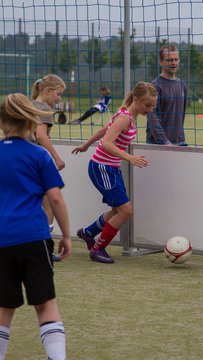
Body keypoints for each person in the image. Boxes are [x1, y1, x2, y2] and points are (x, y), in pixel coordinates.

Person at [0, 93, 71, 360]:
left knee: (4, 308)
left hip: (2, 239)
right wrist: (65, 235)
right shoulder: (39, 155)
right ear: (31, 122)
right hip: (33, 237)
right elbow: (54, 198)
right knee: (45, 304)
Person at [72, 82, 157, 264]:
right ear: (136, 99)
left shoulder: (128, 115)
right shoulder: (125, 118)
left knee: (118, 211)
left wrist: (86, 144)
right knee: (126, 211)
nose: (150, 109)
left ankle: (88, 233)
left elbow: (105, 131)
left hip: (111, 168)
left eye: (153, 106)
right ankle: (98, 249)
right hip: (102, 167)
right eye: (147, 105)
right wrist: (129, 157)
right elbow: (107, 143)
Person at [32, 74, 66, 234]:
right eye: (58, 94)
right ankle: (45, 244)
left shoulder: (29, 104)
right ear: (47, 91)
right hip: (35, 162)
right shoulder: (45, 109)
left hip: (20, 161)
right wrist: (57, 157)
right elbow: (41, 135)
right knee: (49, 204)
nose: (59, 99)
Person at [146, 44, 187, 146]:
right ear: (161, 62)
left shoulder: (182, 85)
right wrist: (165, 142)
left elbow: (182, 116)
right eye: (170, 60)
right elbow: (153, 118)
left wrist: (181, 141)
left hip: (180, 143)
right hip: (158, 145)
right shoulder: (155, 86)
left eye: (176, 59)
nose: (174, 63)